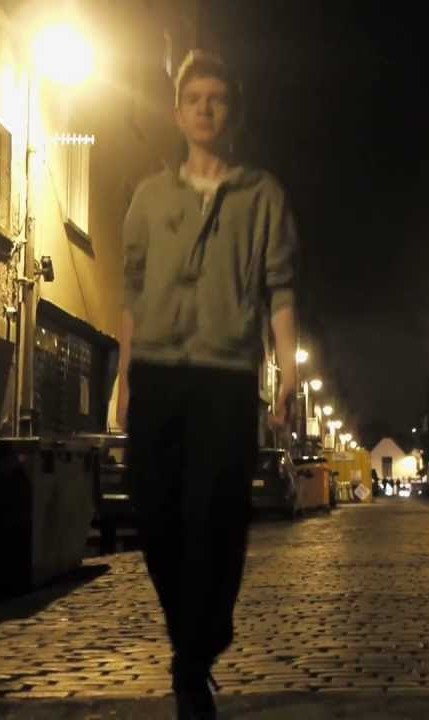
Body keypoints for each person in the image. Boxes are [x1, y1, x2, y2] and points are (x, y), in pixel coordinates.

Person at [117, 50, 299, 720]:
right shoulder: (149, 197)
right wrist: (124, 377)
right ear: (177, 112)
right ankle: (196, 638)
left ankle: (193, 658)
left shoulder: (263, 196)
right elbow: (132, 290)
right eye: (194, 98)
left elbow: (280, 288)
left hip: (226, 375)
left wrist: (289, 369)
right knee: (155, 513)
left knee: (217, 517)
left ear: (233, 113)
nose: (204, 108)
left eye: (216, 98)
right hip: (157, 370)